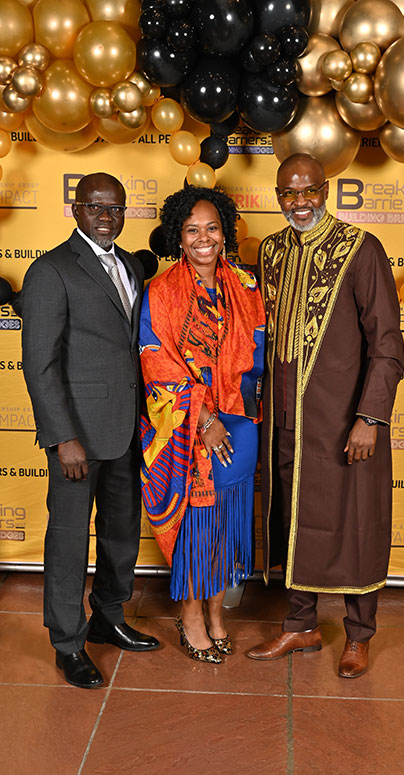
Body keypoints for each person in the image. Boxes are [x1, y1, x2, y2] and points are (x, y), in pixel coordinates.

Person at [247, 153, 404, 677]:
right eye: (288, 193)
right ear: (277, 196)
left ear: (326, 190)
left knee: (356, 521)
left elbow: (387, 345)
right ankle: (301, 625)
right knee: (294, 519)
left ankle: (359, 635)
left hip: (343, 420)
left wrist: (371, 418)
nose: (300, 202)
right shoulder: (271, 251)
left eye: (308, 190)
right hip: (284, 420)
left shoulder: (361, 248)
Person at [21, 172, 159, 689]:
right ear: (76, 209)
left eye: (115, 207)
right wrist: (62, 437)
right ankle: (67, 643)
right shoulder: (50, 270)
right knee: (69, 539)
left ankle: (108, 616)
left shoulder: (130, 266)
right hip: (77, 435)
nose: (106, 216)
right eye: (95, 206)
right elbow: (39, 364)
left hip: (126, 427)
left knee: (121, 532)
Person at [139, 186, 265, 663]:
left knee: (227, 519)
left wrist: (231, 410)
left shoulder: (247, 287)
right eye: (192, 230)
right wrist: (205, 417)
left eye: (212, 228)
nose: (203, 238)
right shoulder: (161, 291)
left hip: (242, 421)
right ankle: (191, 616)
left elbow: (260, 349)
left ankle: (216, 614)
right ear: (178, 236)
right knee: (199, 523)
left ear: (225, 232)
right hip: (193, 424)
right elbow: (157, 361)